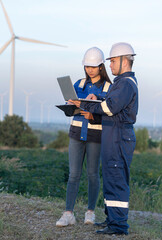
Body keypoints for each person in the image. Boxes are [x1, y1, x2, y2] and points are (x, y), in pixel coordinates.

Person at [69, 42, 138, 235]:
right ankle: (111, 220)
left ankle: (118, 226)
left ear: (125, 60)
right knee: (110, 179)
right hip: (112, 137)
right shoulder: (121, 83)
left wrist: (85, 104)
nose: (111, 65)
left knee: (116, 180)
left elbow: (109, 108)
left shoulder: (125, 84)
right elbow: (108, 107)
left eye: (113, 61)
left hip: (119, 138)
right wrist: (91, 103)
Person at [56, 47, 111, 227]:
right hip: (76, 133)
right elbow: (70, 108)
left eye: (93, 66)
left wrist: (94, 109)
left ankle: (90, 212)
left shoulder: (109, 88)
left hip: (96, 134)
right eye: (87, 66)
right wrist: (70, 105)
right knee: (73, 174)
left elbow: (110, 111)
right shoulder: (78, 84)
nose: (90, 70)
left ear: (101, 66)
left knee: (93, 174)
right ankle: (68, 213)